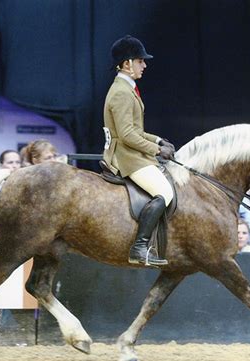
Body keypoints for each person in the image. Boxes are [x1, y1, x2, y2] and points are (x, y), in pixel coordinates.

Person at [102, 35, 175, 267]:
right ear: (127, 64)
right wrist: (156, 150)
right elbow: (127, 135)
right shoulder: (122, 92)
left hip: (132, 151)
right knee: (165, 191)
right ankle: (140, 247)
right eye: (140, 61)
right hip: (125, 156)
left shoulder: (127, 88)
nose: (144, 65)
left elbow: (136, 130)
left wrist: (159, 140)